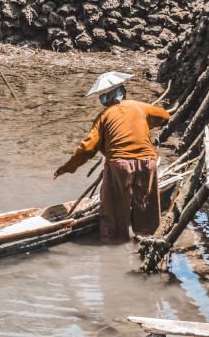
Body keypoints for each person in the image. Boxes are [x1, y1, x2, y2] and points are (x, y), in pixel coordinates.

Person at [53, 72, 170, 243]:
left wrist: (67, 167)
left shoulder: (103, 116)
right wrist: (145, 122)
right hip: (147, 163)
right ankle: (147, 241)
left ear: (105, 100)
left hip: (119, 166)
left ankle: (115, 243)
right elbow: (165, 116)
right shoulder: (140, 107)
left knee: (114, 209)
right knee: (146, 207)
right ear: (124, 93)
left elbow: (88, 147)